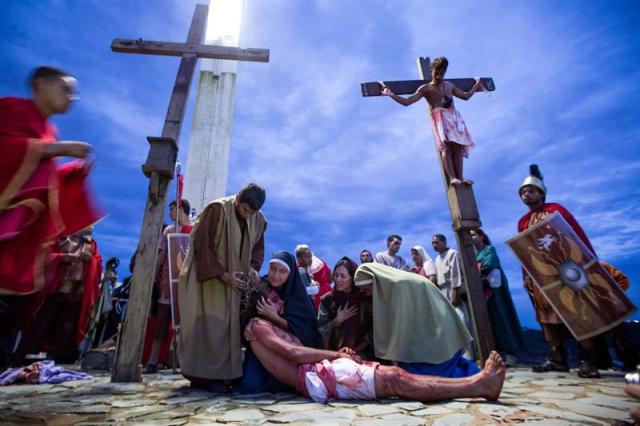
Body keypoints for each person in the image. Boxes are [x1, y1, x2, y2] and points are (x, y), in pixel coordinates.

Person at [0, 66, 102, 366]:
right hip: (7, 228)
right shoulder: (11, 110)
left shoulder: (48, 132)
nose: (71, 97)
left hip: (25, 241)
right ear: (40, 84)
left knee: (11, 311)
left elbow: (39, 180)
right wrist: (55, 149)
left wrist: (69, 171)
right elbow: (7, 153)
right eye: (65, 89)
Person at [244, 317, 506, 404]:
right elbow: (293, 355)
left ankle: (476, 382)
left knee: (395, 375)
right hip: (319, 378)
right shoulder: (258, 326)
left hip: (324, 370)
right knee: (395, 379)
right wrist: (335, 355)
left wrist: (338, 354)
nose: (275, 299)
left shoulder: (272, 324)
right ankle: (479, 385)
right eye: (269, 293)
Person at [178, 183, 267, 392]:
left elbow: (258, 245)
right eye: (245, 210)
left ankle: (226, 374)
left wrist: (253, 268)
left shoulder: (258, 218)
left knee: (229, 327)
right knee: (207, 326)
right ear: (237, 199)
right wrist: (223, 275)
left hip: (236, 284)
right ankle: (202, 376)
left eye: (251, 212)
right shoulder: (217, 209)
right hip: (209, 280)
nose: (247, 216)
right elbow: (201, 243)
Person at [517, 164, 603, 378]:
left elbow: (575, 238)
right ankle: (557, 360)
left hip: (567, 269)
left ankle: (588, 361)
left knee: (577, 312)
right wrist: (526, 274)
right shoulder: (524, 222)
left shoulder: (556, 211)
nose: (527, 195)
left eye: (531, 191)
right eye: (523, 192)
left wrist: (588, 263)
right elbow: (526, 250)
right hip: (542, 275)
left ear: (541, 193)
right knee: (546, 316)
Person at [354, 263, 479, 378]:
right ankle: (471, 369)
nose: (366, 293)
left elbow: (402, 326)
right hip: (435, 338)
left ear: (375, 281)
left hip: (437, 336)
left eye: (366, 288)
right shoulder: (393, 287)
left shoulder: (399, 286)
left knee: (416, 376)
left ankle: (476, 374)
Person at [380, 57, 485, 186]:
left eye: (442, 73)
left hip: (453, 117)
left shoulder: (449, 85)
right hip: (440, 117)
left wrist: (476, 85)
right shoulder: (426, 88)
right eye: (437, 72)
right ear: (432, 71)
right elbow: (407, 102)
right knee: (446, 148)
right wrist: (390, 94)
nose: (439, 76)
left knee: (457, 148)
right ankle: (452, 178)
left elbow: (466, 96)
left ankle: (460, 177)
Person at [14, 227, 102, 364]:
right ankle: (25, 355)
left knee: (66, 328)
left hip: (76, 292)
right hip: (55, 290)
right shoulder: (60, 237)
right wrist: (64, 257)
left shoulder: (91, 243)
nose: (91, 227)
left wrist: (91, 261)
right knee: (41, 323)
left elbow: (98, 261)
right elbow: (44, 256)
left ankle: (57, 358)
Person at [239, 251, 322, 393]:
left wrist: (275, 318)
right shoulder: (260, 287)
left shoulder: (299, 296)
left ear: (290, 273)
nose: (276, 275)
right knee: (251, 385)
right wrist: (249, 324)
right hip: (263, 345)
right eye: (273, 269)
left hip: (289, 347)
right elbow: (244, 315)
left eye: (282, 271)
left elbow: (308, 332)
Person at [145, 199, 193, 373]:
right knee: (162, 322)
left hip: (187, 284)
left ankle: (183, 363)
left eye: (172, 208)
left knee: (184, 325)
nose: (170, 212)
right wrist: (153, 276)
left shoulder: (194, 230)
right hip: (168, 282)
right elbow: (161, 255)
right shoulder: (169, 230)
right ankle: (153, 360)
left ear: (180, 209)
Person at [470, 228, 526, 367]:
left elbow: (488, 265)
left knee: (501, 318)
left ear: (481, 236)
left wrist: (474, 269)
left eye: (474, 234)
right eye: (469, 236)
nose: (472, 238)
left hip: (495, 291)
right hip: (482, 291)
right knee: (489, 322)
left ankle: (510, 354)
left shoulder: (489, 249)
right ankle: (494, 354)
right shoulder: (473, 254)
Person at [317, 257, 373, 358]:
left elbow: (373, 331)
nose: (338, 280)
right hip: (334, 354)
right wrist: (337, 321)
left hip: (362, 353)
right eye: (336, 275)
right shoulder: (328, 300)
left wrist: (355, 350)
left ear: (352, 277)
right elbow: (319, 329)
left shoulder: (365, 299)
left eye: (343, 276)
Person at [295, 244, 332, 309]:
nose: (310, 259)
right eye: (306, 257)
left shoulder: (318, 265)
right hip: (319, 299)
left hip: (320, 299)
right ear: (299, 259)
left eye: (310, 256)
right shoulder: (300, 271)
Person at [431, 234, 462, 304]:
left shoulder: (452, 253)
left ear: (444, 242)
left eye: (436, 242)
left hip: (452, 288)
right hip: (442, 290)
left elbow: (455, 273)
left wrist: (455, 291)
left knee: (458, 312)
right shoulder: (437, 259)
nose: (434, 245)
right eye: (432, 243)